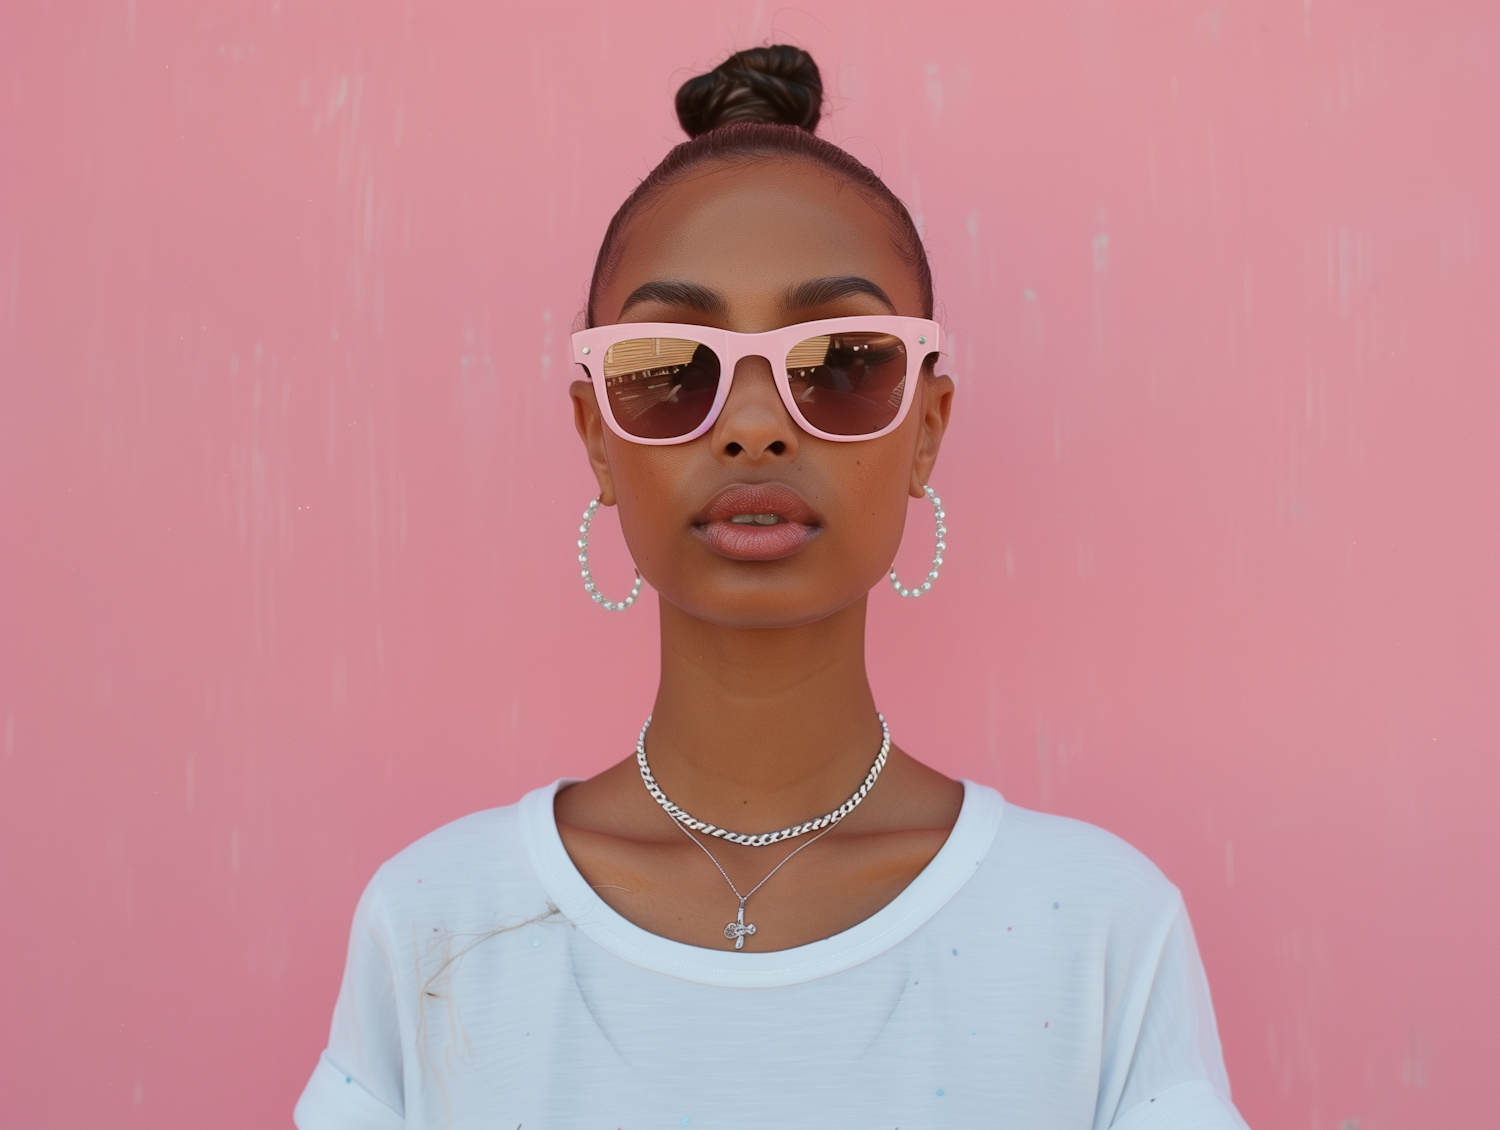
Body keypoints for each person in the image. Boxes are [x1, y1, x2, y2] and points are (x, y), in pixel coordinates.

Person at [294, 45, 1249, 1130]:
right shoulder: (436, 923)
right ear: (597, 437)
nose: (754, 424)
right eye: (670, 369)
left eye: (843, 360)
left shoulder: (1098, 932)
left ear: (927, 429)